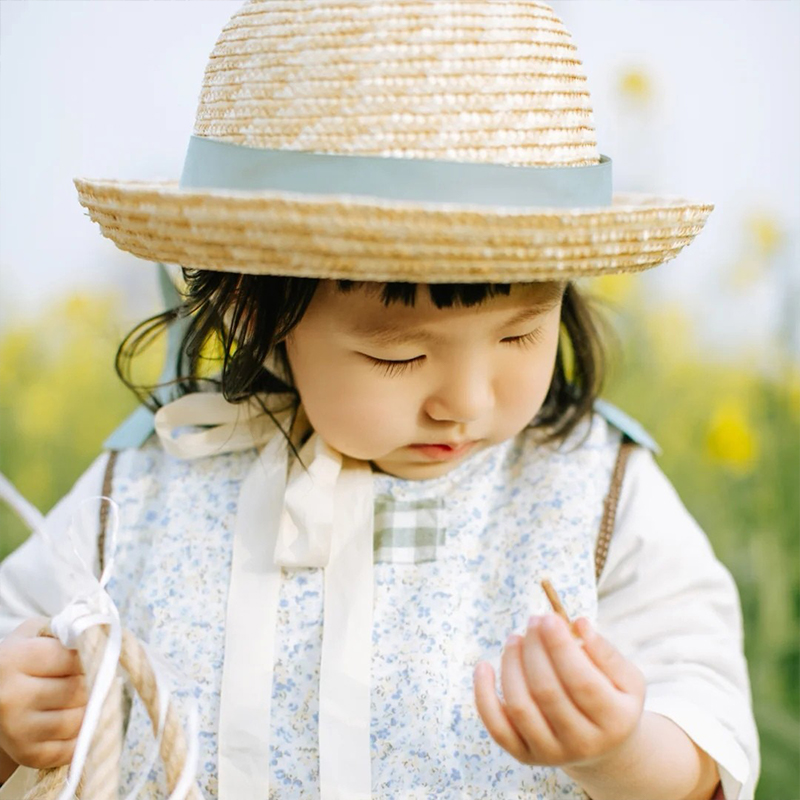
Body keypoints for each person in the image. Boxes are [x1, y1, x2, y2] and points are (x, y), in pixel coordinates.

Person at [0, 1, 759, 798]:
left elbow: (708, 739)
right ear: (256, 316)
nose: (463, 402)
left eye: (518, 338)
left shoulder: (597, 493)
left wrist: (621, 749)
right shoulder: (148, 490)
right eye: (395, 354)